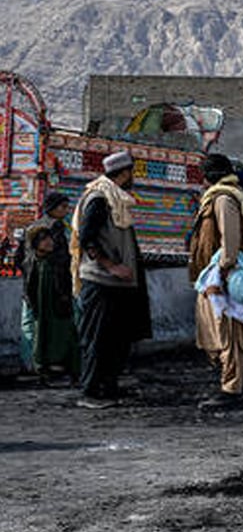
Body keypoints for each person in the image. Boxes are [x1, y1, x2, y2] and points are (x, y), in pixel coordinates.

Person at [70, 150, 152, 409]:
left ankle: (109, 387)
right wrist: (111, 265)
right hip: (101, 281)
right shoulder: (99, 197)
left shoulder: (115, 197)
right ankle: (91, 392)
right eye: (131, 173)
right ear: (124, 172)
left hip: (118, 284)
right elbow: (87, 238)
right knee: (98, 338)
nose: (132, 178)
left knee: (117, 339)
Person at [188, 153, 243, 408]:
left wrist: (221, 272)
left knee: (227, 330)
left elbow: (230, 241)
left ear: (207, 177)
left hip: (226, 274)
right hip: (222, 272)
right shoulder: (230, 195)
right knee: (228, 326)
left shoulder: (223, 199)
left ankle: (231, 386)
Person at [22, 192, 78, 382]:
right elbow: (62, 260)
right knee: (58, 327)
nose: (66, 210)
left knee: (33, 326)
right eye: (63, 207)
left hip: (32, 284)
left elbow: (19, 258)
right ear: (53, 208)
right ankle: (55, 365)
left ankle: (35, 365)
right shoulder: (54, 228)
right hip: (53, 285)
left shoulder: (33, 226)